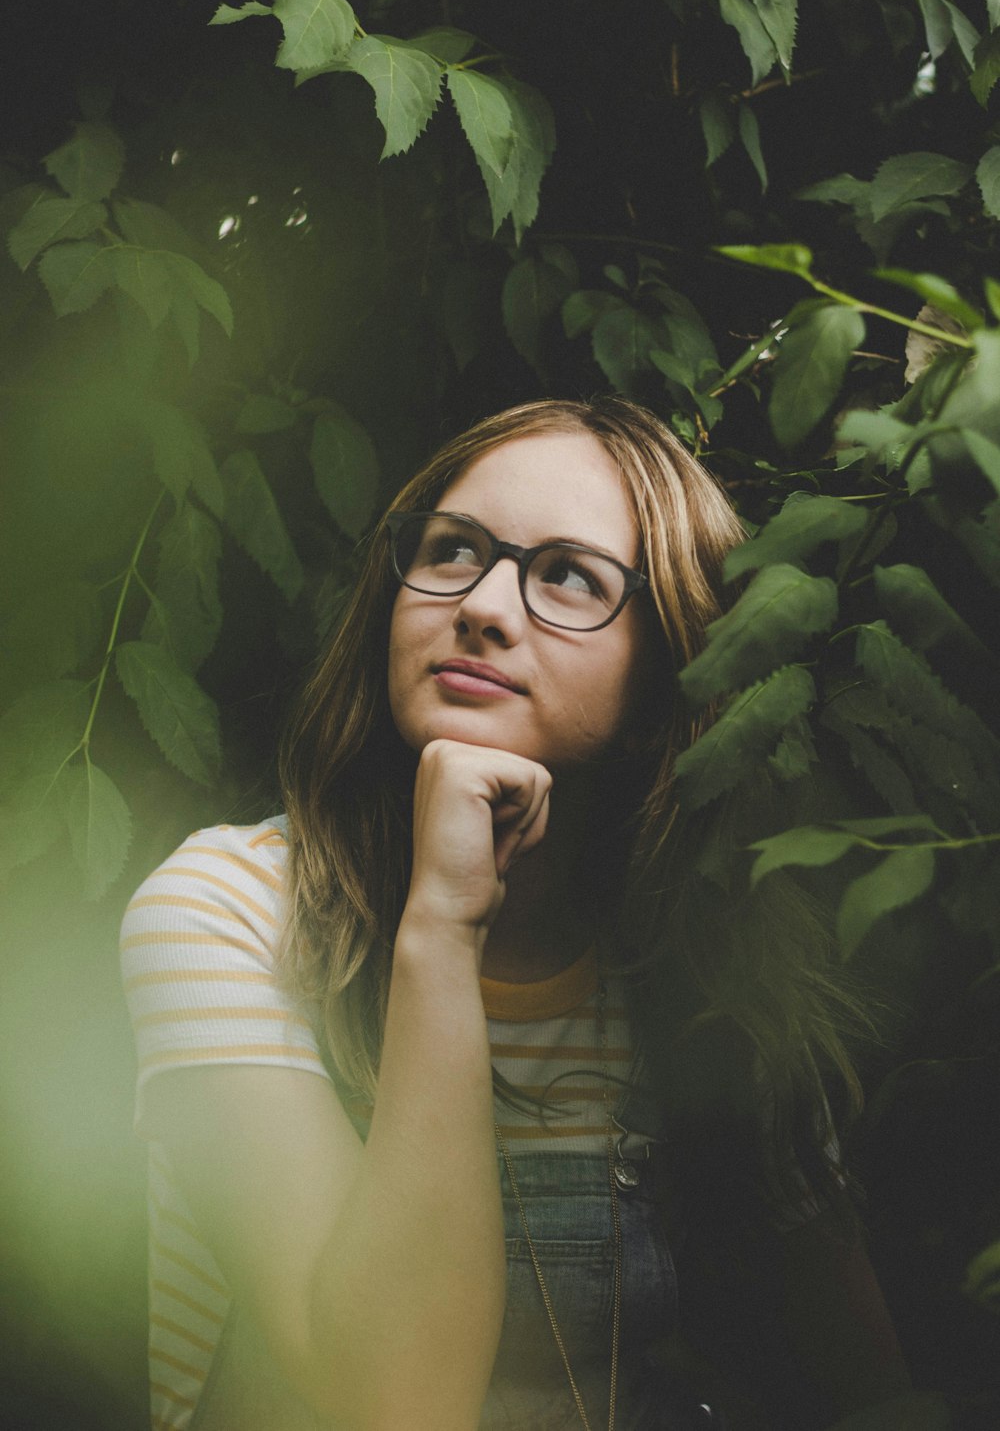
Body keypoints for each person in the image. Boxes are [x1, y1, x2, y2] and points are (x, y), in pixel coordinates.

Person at [121, 397, 914, 1431]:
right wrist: (443, 927)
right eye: (453, 550)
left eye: (568, 576)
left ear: (670, 678)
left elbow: (870, 1391)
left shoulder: (720, 963)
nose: (484, 603)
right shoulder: (227, 911)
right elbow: (388, 1404)